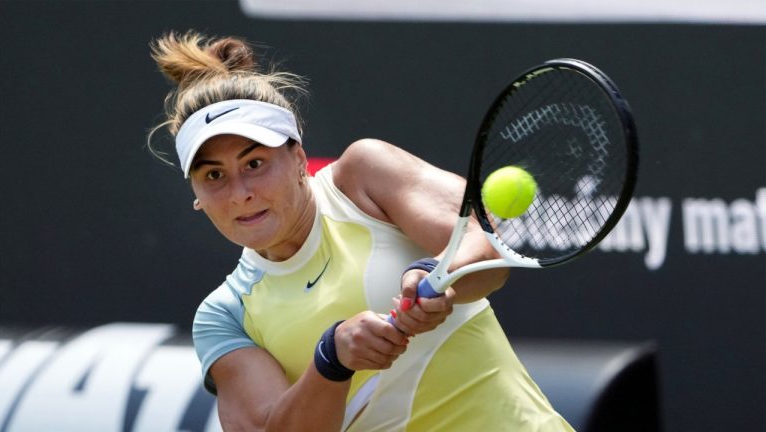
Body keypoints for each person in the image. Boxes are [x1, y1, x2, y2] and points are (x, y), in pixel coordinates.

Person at [148, 31, 574, 432]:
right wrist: (331, 359)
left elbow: (483, 245)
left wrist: (439, 273)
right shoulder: (223, 317)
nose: (239, 193)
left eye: (255, 164)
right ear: (197, 195)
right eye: (214, 176)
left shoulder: (361, 177)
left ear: (298, 158)